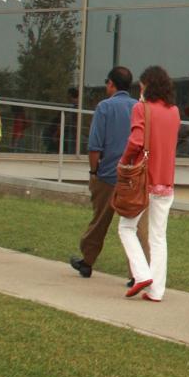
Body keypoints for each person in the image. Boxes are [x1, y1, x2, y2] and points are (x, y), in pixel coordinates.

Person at [70, 67, 148, 280]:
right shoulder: (139, 108)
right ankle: (136, 273)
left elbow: (95, 145)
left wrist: (94, 171)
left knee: (99, 220)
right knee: (134, 226)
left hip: (108, 174)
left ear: (111, 84)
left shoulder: (104, 107)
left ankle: (87, 260)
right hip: (133, 176)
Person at [121, 66, 181, 303]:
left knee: (126, 227)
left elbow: (136, 141)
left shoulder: (141, 108)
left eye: (142, 85)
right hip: (166, 181)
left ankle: (142, 274)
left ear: (147, 85)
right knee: (158, 236)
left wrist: (124, 162)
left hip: (142, 179)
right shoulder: (174, 111)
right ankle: (156, 290)